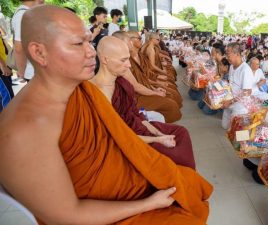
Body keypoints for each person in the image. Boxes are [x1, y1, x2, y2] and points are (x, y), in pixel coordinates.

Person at [0, 6, 212, 224]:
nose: (91, 51)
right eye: (77, 43)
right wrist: (150, 203)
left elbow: (122, 138)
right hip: (101, 208)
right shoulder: (21, 131)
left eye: (88, 41)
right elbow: (67, 216)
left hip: (123, 182)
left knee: (185, 183)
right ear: (39, 52)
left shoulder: (82, 91)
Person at [90, 36, 195, 169]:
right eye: (123, 60)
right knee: (173, 155)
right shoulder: (97, 91)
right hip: (125, 141)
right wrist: (156, 139)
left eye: (128, 58)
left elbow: (135, 114)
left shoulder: (121, 81)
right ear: (105, 59)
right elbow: (118, 136)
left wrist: (159, 133)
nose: (128, 65)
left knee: (180, 132)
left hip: (137, 127)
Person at [120, 31, 182, 123]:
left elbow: (144, 75)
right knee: (171, 101)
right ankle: (158, 125)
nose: (142, 40)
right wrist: (157, 86)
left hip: (147, 85)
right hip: (135, 97)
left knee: (171, 91)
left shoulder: (139, 55)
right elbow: (137, 85)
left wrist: (156, 84)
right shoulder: (124, 62)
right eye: (139, 38)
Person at [221, 42, 253, 129]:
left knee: (237, 133)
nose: (227, 57)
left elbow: (247, 92)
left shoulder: (245, 70)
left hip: (240, 106)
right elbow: (231, 83)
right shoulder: (231, 66)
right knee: (225, 126)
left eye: (228, 54)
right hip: (230, 100)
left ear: (237, 54)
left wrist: (230, 101)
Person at [11, 0, 44, 83]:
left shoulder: (29, 13)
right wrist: (21, 72)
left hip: (38, 70)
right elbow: (19, 47)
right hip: (34, 71)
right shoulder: (23, 15)